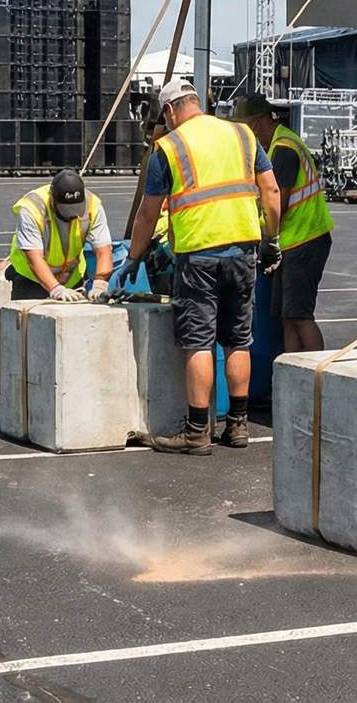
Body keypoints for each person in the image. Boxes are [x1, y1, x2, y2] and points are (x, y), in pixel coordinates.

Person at [120, 80, 281, 454]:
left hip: (198, 257)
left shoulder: (170, 147)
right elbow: (271, 191)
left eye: (165, 116)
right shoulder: (242, 135)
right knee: (239, 340)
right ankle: (237, 427)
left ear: (172, 110)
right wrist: (270, 239)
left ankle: (196, 433)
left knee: (198, 343)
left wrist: (134, 256)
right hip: (243, 251)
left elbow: (148, 212)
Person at [232, 93, 332, 356]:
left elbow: (276, 201)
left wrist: (262, 237)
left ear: (254, 125)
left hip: (305, 240)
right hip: (293, 241)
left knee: (300, 315)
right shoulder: (276, 146)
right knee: (287, 317)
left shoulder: (284, 149)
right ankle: (290, 377)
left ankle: (315, 376)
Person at [5, 168, 112, 302]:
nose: (72, 215)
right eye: (66, 210)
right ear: (53, 200)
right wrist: (56, 289)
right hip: (32, 278)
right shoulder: (33, 209)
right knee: (32, 319)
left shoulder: (92, 206)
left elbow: (104, 251)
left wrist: (100, 285)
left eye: (76, 209)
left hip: (72, 278)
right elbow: (34, 259)